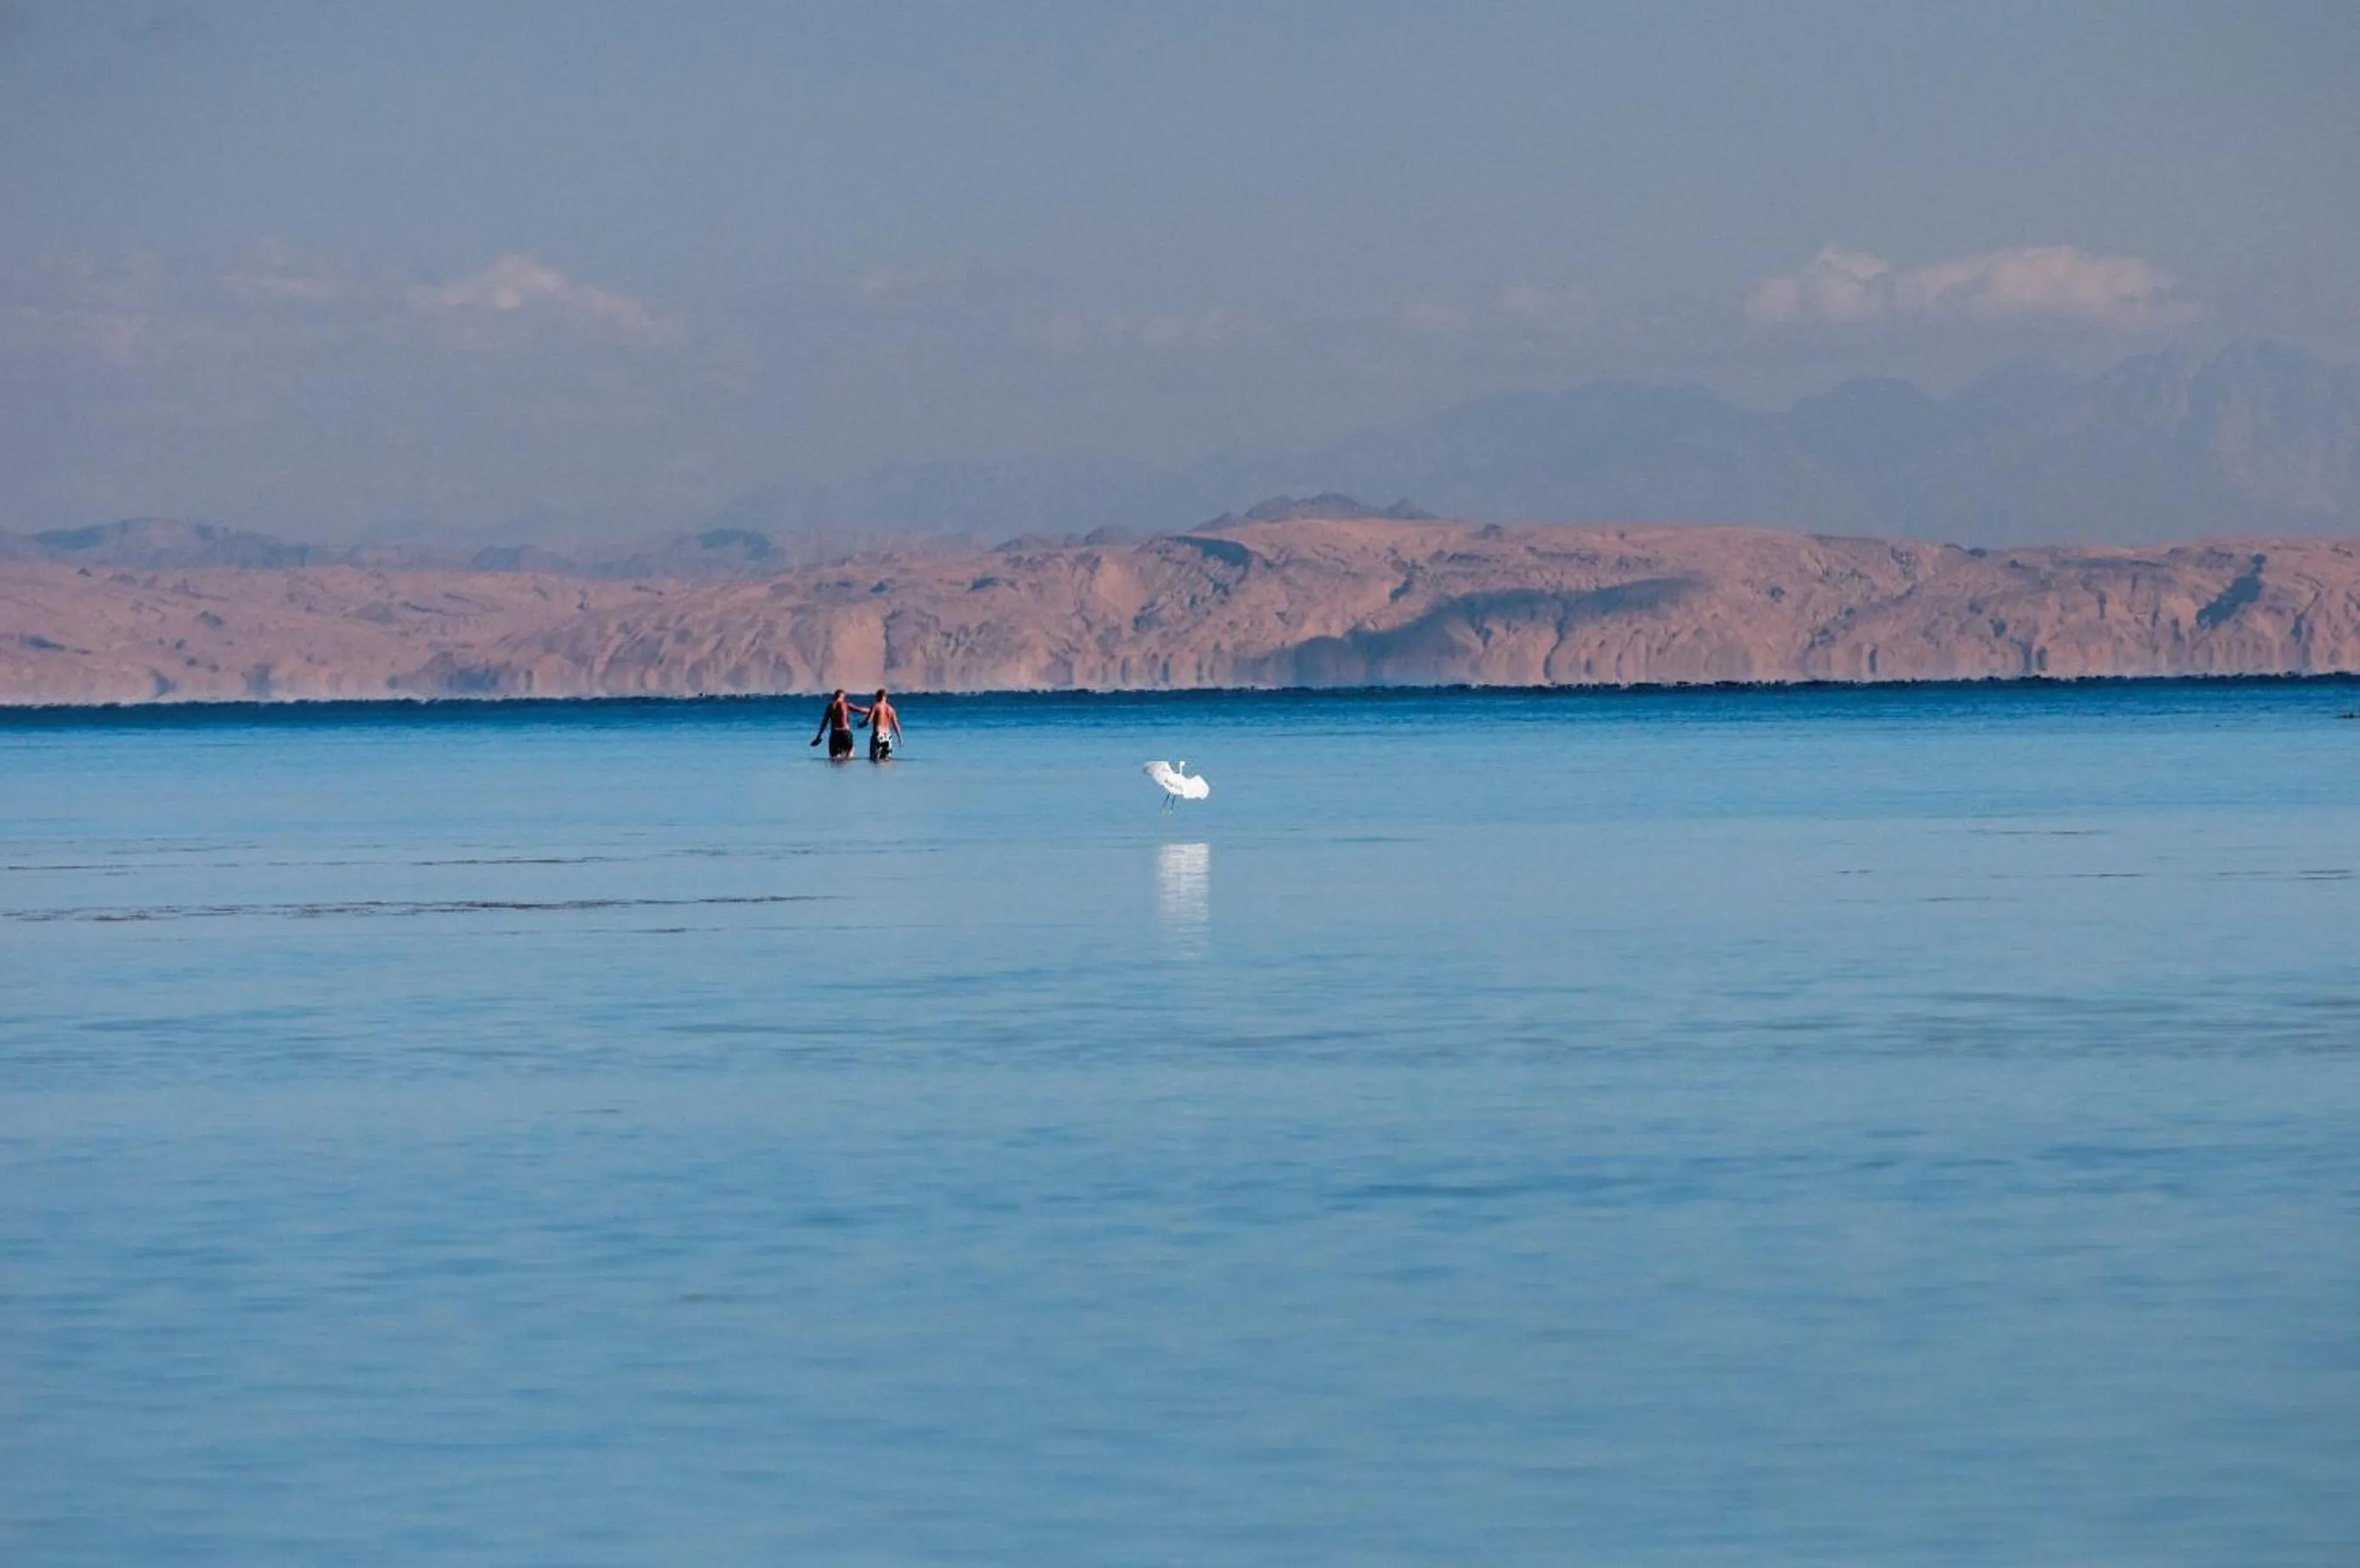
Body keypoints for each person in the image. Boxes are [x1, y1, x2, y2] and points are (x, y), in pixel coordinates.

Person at [810, 688, 858, 760]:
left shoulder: (830, 706)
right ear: (843, 696)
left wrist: (818, 737)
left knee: (834, 758)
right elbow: (861, 710)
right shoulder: (846, 705)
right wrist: (872, 711)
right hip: (845, 733)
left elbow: (824, 722)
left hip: (834, 733)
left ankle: (834, 771)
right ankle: (847, 770)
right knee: (849, 754)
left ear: (835, 696)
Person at [862, 688, 902, 761]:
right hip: (888, 736)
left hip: (878, 734)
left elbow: (868, 721)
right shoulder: (891, 709)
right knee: (886, 760)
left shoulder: (875, 706)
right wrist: (900, 738)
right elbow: (896, 725)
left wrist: (861, 725)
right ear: (886, 697)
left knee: (874, 759)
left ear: (877, 696)